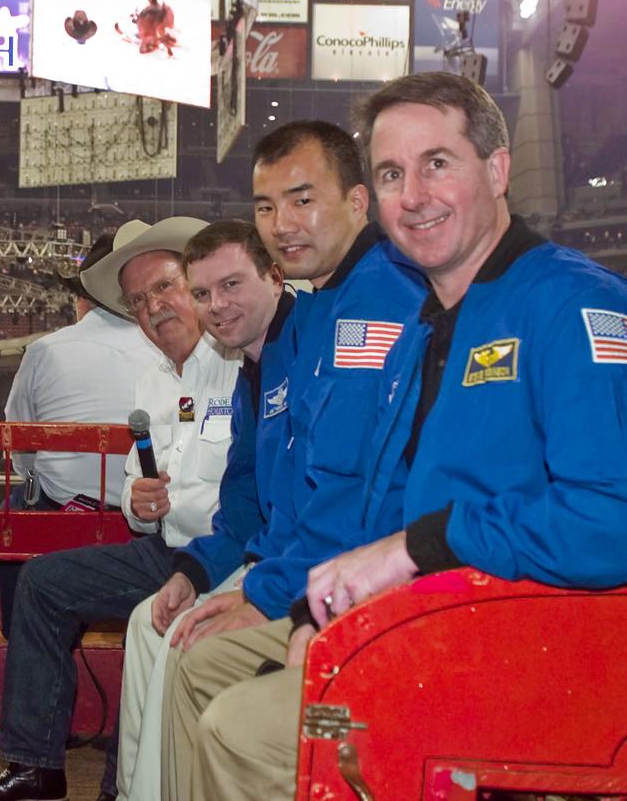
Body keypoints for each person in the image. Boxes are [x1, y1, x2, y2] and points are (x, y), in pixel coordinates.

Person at [213, 72, 627, 799]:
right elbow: (389, 503)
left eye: (436, 163)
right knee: (225, 687)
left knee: (240, 728)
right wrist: (329, 605)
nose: (412, 195)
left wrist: (424, 544)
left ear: (497, 170)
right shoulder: (429, 329)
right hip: (450, 626)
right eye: (391, 174)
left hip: (559, 657)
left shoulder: (577, 306)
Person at [157, 120, 427, 801]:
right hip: (329, 570)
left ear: (358, 201)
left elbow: (347, 490)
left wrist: (267, 595)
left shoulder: (373, 305)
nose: (282, 224)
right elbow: (289, 490)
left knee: (215, 695)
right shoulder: (326, 309)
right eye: (266, 206)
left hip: (385, 590)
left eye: (303, 199)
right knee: (194, 661)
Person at [0, 216, 249, 801]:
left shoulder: (241, 366)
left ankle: (118, 787)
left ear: (193, 285)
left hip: (223, 556)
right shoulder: (152, 381)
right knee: (42, 582)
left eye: (164, 287)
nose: (153, 308)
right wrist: (138, 501)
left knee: (139, 621)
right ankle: (35, 766)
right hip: (165, 549)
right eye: (138, 301)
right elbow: (135, 487)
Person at [114, 219, 295, 801]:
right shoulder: (247, 374)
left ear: (276, 277)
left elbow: (321, 506)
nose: (217, 305)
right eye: (204, 292)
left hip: (283, 567)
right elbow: (243, 500)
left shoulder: (284, 359)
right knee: (147, 622)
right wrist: (189, 570)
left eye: (231, 285)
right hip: (213, 552)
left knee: (177, 638)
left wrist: (258, 589)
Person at [0, 230, 160, 635]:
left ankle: (20, 632)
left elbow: (21, 447)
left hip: (64, 515)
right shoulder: (165, 350)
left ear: (83, 300)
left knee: (18, 501)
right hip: (144, 518)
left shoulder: (45, 349)